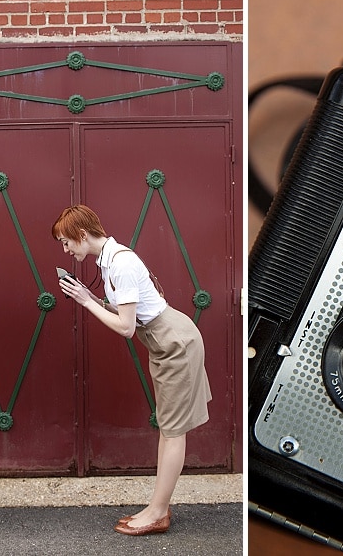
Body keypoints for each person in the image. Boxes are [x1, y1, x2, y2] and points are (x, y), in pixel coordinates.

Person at [52, 205, 212, 536]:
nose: (66, 250)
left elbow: (126, 327)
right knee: (169, 429)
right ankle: (157, 507)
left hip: (173, 344)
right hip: (165, 341)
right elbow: (135, 310)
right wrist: (91, 297)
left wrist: (86, 301)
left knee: (173, 430)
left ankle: (157, 513)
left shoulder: (120, 263)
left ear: (82, 235)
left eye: (67, 242)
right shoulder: (110, 260)